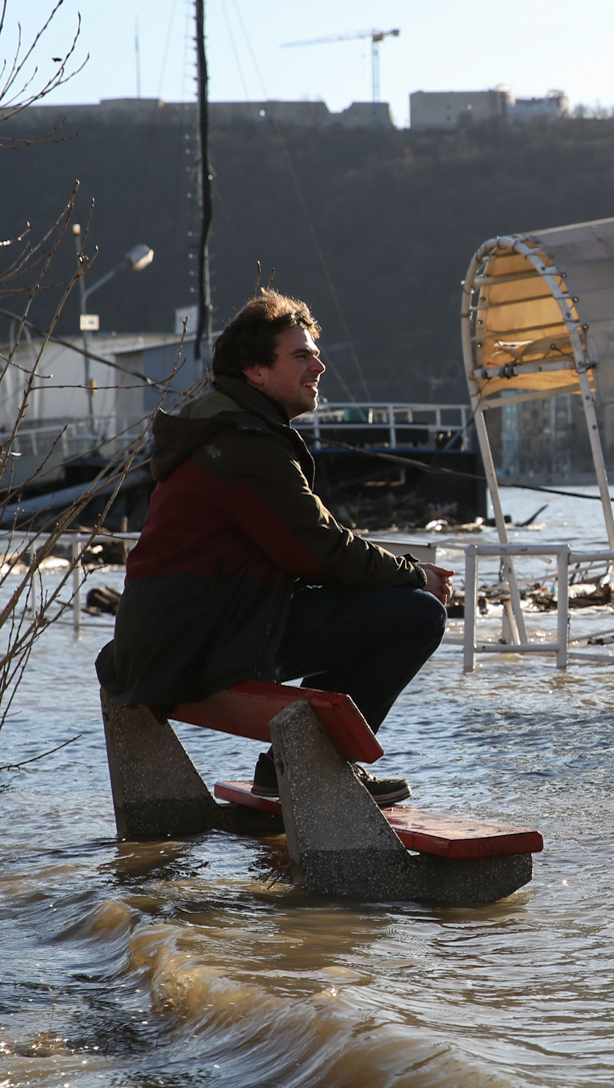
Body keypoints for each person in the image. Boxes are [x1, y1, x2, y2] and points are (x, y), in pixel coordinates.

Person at [96, 290, 453, 804]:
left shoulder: (223, 431)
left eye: (315, 353)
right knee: (418, 615)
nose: (319, 365)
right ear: (255, 372)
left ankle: (289, 768)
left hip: (170, 639)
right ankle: (309, 773)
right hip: (199, 643)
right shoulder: (245, 444)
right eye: (301, 355)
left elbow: (311, 548)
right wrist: (415, 574)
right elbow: (321, 549)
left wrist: (385, 571)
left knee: (359, 609)